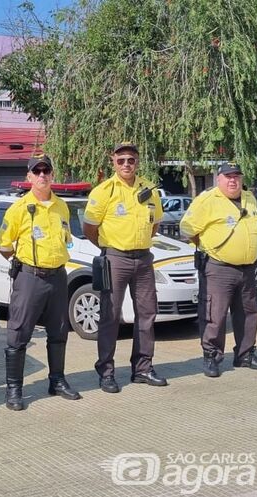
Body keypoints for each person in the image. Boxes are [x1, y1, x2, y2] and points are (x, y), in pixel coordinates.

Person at [0, 154, 81, 410]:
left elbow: (66, 238)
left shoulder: (62, 207)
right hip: (29, 276)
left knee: (59, 331)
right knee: (19, 333)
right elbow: (3, 243)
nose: (42, 175)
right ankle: (14, 389)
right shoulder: (19, 208)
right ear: (29, 177)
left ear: (52, 175)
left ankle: (57, 381)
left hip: (57, 275)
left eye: (46, 171)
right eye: (37, 171)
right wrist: (23, 263)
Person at [82, 142, 168, 393]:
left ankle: (142, 368)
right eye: (121, 161)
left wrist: (138, 243)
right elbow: (90, 228)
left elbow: (155, 224)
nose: (126, 164)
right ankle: (106, 372)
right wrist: (110, 247)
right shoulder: (103, 191)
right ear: (113, 162)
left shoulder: (149, 189)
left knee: (147, 314)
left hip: (143, 259)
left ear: (137, 162)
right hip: (115, 258)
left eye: (131, 160)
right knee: (110, 316)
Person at [180, 162, 257, 377]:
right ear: (218, 179)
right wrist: (206, 247)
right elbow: (187, 228)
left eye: (237, 176)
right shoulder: (208, 200)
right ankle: (212, 356)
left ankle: (245, 354)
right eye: (228, 176)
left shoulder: (249, 198)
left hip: (248, 269)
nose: (233, 180)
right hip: (219, 268)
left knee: (249, 314)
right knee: (215, 315)